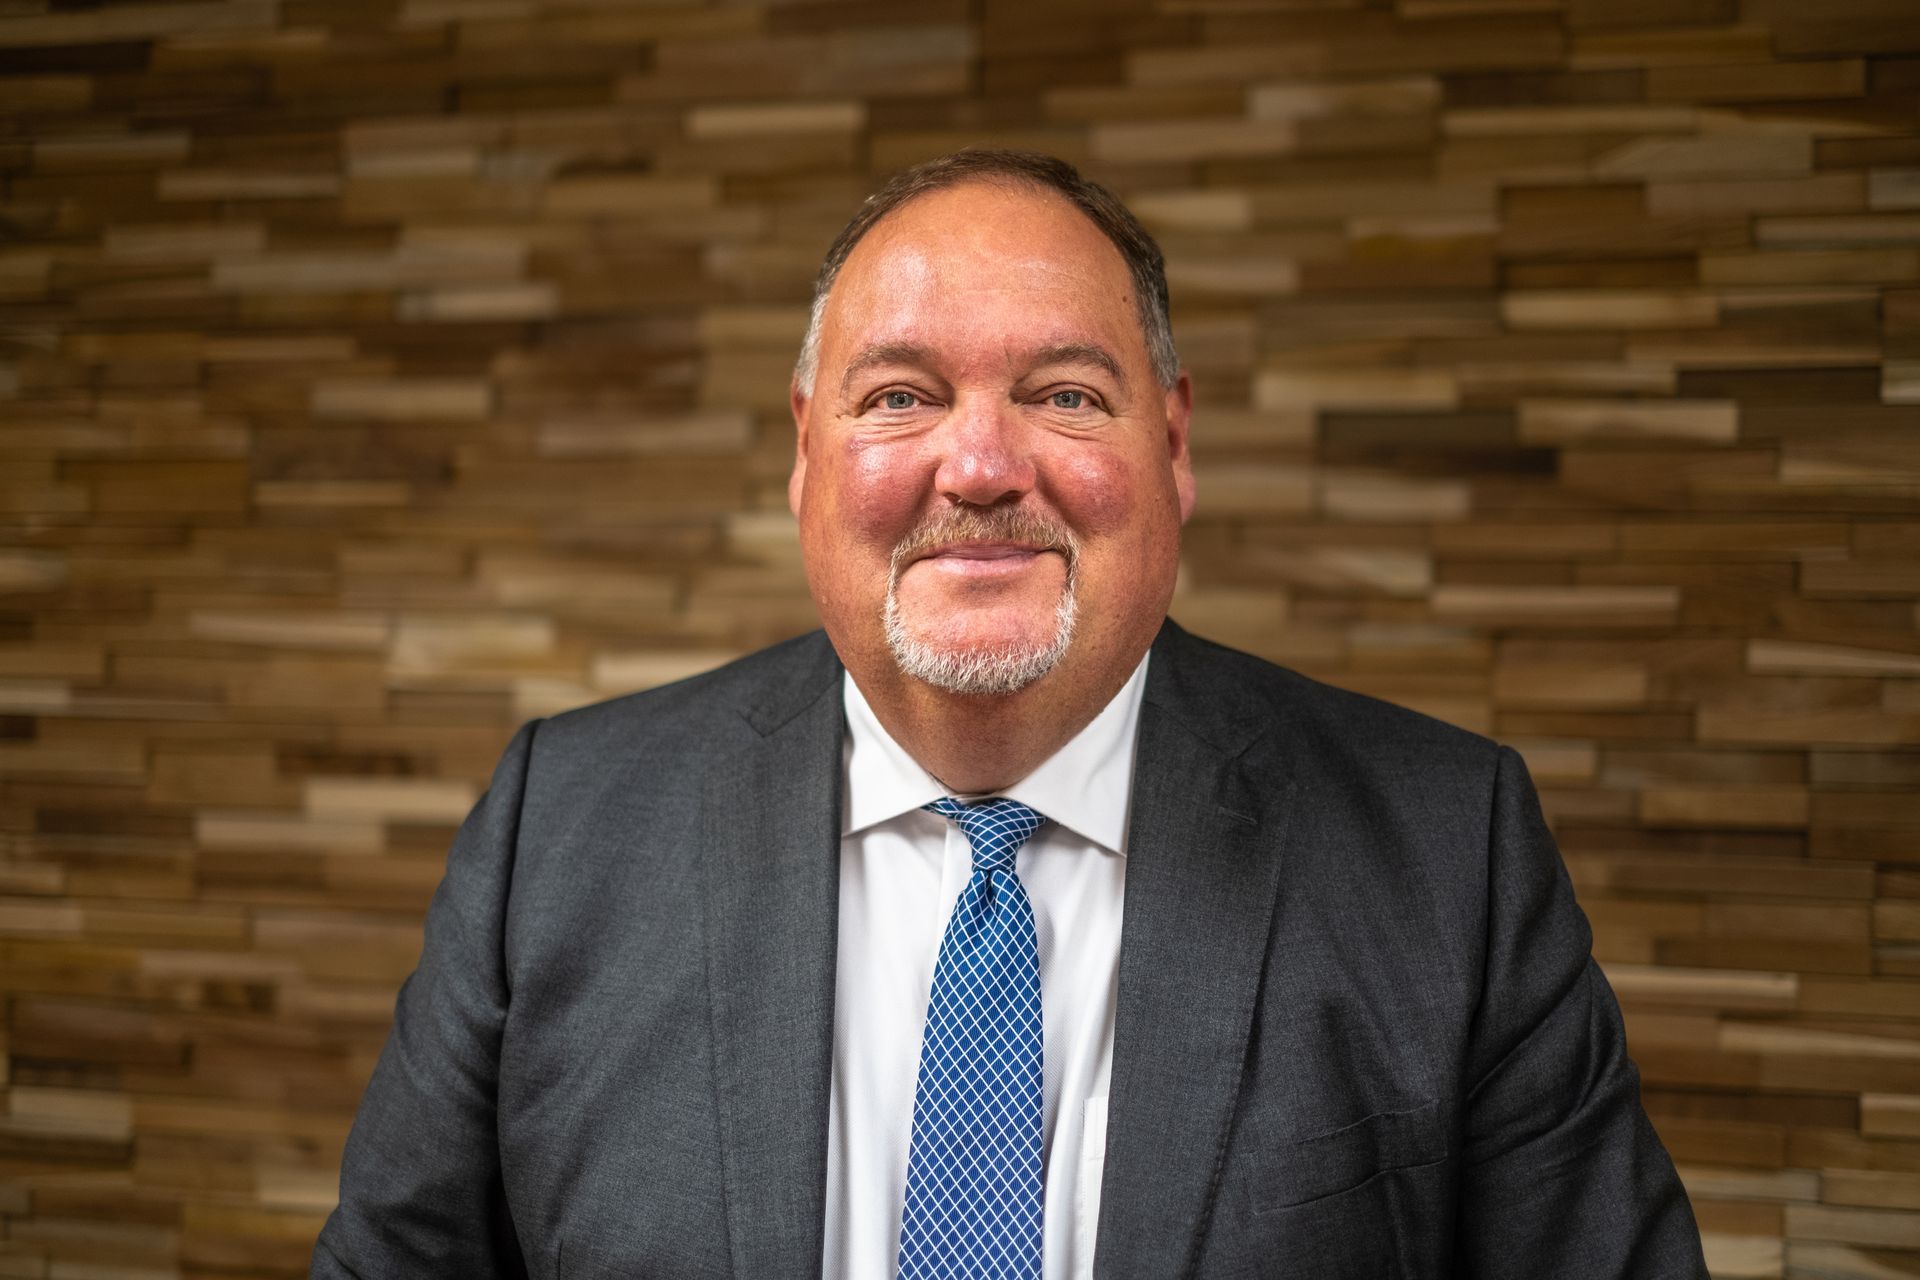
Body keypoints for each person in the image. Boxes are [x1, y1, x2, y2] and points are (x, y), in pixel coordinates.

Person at [312, 150, 1707, 1279]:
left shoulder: (1448, 853)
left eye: (1063, 393)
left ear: (1171, 447)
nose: (979, 464)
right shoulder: (559, 828)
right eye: (902, 395)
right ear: (807, 458)